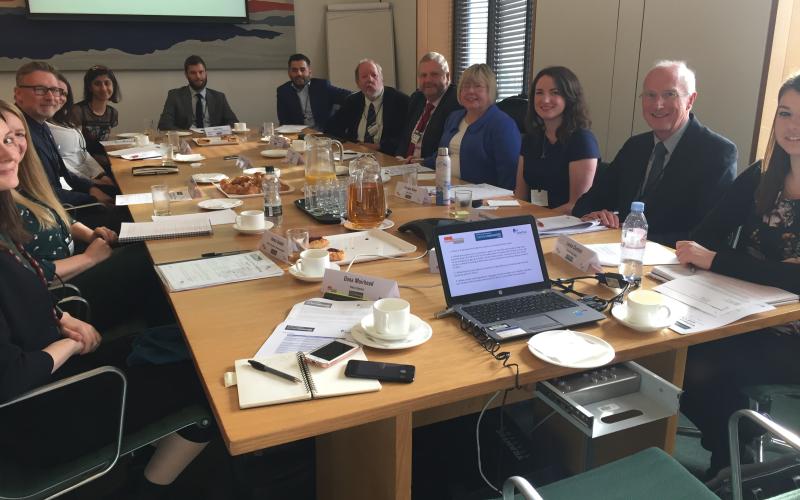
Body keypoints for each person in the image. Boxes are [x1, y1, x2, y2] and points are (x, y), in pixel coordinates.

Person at [0, 112, 213, 500]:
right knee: (211, 382)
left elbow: (24, 292)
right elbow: (9, 378)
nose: (10, 151)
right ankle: (145, 489)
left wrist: (60, 317)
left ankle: (149, 458)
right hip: (39, 416)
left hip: (60, 371)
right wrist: (72, 342)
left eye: (13, 137)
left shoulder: (5, 224)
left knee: (188, 346)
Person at [676, 73, 800, 477]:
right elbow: (703, 238)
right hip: (742, 310)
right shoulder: (763, 174)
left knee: (699, 366)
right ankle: (733, 445)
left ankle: (731, 460)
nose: (793, 126)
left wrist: (725, 261)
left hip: (789, 334)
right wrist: (770, 272)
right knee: (674, 355)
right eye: (785, 114)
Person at [1, 100, 170, 332]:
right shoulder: (6, 192)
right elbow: (26, 275)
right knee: (152, 261)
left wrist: (91, 235)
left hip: (74, 260)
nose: (10, 150)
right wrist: (90, 258)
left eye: (15, 136)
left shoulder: (21, 182)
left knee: (151, 244)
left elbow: (57, 215)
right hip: (64, 294)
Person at [572, 60, 737, 247]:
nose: (657, 105)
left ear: (690, 100)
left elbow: (707, 237)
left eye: (669, 94)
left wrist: (631, 237)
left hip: (674, 265)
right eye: (650, 95)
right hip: (620, 255)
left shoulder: (717, 153)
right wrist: (594, 216)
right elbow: (584, 205)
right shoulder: (635, 147)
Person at [14, 61, 114, 208]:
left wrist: (90, 188)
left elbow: (63, 174)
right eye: (40, 89)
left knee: (126, 191)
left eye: (55, 90)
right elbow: (37, 193)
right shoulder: (16, 133)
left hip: (64, 198)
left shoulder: (40, 125)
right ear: (18, 94)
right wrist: (92, 199)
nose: (51, 97)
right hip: (52, 212)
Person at [515, 66, 599, 214]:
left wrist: (536, 219)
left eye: (555, 93)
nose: (545, 100)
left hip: (567, 226)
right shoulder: (531, 139)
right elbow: (520, 195)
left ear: (570, 97)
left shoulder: (582, 141)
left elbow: (576, 206)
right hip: (535, 221)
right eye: (539, 93)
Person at [424, 63, 520, 191]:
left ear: (489, 90)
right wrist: (419, 162)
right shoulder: (454, 117)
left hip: (480, 198)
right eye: (466, 86)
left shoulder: (503, 125)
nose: (470, 91)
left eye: (477, 86)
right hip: (446, 190)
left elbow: (509, 176)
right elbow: (444, 154)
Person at [325, 59, 409, 155]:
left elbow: (405, 137)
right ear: (358, 83)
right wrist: (353, 144)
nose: (370, 79)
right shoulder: (352, 101)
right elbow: (331, 128)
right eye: (364, 76)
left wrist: (379, 146)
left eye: (374, 75)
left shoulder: (400, 101)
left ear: (381, 78)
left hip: (386, 155)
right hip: (356, 154)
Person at [49, 72, 116, 185]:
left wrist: (101, 175)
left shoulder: (63, 121)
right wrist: (91, 183)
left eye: (62, 93)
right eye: (43, 90)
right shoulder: (77, 111)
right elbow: (62, 164)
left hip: (91, 173)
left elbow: (82, 152)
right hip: (78, 184)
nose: (54, 97)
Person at [397, 52, 462, 161]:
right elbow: (405, 138)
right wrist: (398, 159)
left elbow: (448, 148)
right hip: (406, 167)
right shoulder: (417, 98)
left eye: (434, 74)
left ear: (447, 76)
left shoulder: (456, 102)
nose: (428, 80)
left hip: (432, 169)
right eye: (423, 75)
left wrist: (422, 162)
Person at [158, 55, 238, 131]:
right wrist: (190, 133)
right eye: (193, 73)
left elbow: (234, 123)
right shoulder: (174, 95)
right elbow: (164, 125)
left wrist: (215, 132)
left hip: (213, 141)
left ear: (206, 73)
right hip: (186, 142)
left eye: (201, 72)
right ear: (186, 75)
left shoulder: (219, 97)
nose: (198, 76)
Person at [276, 53, 351, 130]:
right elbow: (284, 122)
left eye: (302, 69)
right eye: (294, 70)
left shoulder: (322, 86)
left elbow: (350, 96)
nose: (299, 73)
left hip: (324, 135)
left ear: (309, 71)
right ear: (289, 73)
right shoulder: (283, 91)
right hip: (298, 136)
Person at [69, 64, 121, 146]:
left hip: (106, 157)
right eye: (97, 84)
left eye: (107, 83)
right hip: (83, 157)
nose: (103, 88)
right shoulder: (78, 111)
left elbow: (108, 142)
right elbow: (73, 144)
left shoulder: (113, 113)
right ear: (90, 87)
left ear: (113, 86)